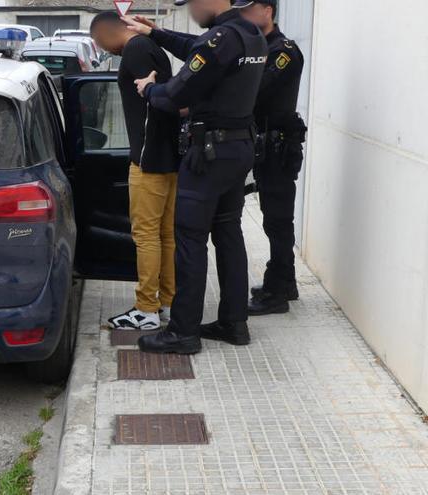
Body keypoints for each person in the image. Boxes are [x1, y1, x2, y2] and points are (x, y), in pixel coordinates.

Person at [122, 0, 268, 354]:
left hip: (209, 155)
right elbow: (197, 48)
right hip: (238, 149)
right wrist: (155, 32)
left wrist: (148, 89)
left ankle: (182, 333)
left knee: (189, 240)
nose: (191, 10)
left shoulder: (221, 40)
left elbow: (175, 96)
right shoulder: (251, 35)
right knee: (229, 233)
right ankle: (234, 323)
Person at [89, 12, 180, 331]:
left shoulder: (136, 50)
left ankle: (146, 309)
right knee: (165, 234)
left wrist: (144, 153)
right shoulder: (151, 47)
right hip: (168, 156)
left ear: (107, 34)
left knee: (145, 235)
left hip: (149, 159)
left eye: (99, 42)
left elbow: (158, 101)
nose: (103, 50)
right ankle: (168, 303)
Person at [236, 0, 307, 316]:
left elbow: (256, 90)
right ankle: (285, 282)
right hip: (267, 146)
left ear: (267, 9)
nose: (243, 16)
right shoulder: (261, 47)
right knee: (273, 218)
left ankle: (277, 292)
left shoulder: (283, 51)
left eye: (247, 10)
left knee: (278, 220)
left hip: (279, 147)